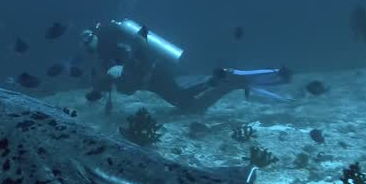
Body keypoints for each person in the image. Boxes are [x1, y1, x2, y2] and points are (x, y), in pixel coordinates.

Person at [79, 19, 290, 113]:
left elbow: (140, 51)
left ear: (94, 35)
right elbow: (122, 82)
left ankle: (230, 81)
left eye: (87, 40)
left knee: (191, 107)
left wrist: (122, 71)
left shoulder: (112, 43)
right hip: (152, 78)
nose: (87, 46)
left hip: (155, 74)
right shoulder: (107, 50)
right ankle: (220, 80)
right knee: (185, 102)